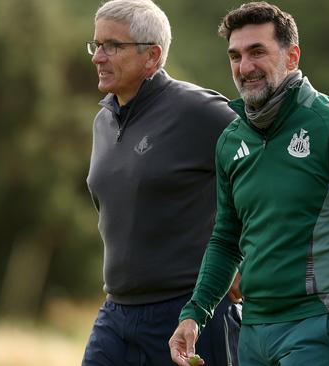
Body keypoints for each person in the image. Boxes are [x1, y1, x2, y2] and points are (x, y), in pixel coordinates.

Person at [169, 2, 329, 366]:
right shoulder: (230, 140)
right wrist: (194, 313)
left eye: (257, 52)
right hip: (254, 329)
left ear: (292, 57)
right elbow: (227, 240)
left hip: (323, 320)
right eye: (236, 56)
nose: (245, 67)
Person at [82, 0, 241, 365]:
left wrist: (241, 258)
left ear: (152, 56)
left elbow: (263, 174)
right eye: (96, 44)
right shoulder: (102, 122)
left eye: (112, 46)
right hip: (117, 311)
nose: (98, 57)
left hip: (190, 311)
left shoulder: (198, 111)